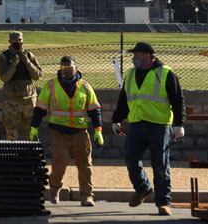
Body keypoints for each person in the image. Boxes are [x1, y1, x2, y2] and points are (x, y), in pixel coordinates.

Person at [112, 42, 186, 217]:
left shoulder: (166, 73)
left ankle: (164, 202)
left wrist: (179, 124)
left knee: (160, 165)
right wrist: (116, 119)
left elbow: (178, 100)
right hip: (136, 124)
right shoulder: (131, 74)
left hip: (159, 125)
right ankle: (143, 188)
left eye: (136, 55)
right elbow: (124, 99)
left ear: (147, 56)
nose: (134, 58)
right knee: (130, 156)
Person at [30, 56, 103, 207]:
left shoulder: (85, 86)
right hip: (59, 134)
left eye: (70, 68)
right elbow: (40, 108)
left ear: (76, 68)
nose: (66, 71)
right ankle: (54, 191)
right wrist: (34, 127)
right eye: (63, 68)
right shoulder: (51, 86)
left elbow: (95, 110)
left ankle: (87, 196)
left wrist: (98, 130)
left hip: (80, 133)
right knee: (58, 165)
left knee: (85, 166)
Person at [0, 31, 42, 140]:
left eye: (20, 40)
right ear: (10, 41)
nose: (18, 42)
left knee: (32, 130)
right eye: (15, 41)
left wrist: (28, 63)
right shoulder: (3, 57)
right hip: (11, 99)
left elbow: (37, 76)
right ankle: (13, 151)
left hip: (29, 98)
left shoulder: (29, 55)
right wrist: (13, 64)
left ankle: (33, 150)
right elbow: (4, 78)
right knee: (11, 130)